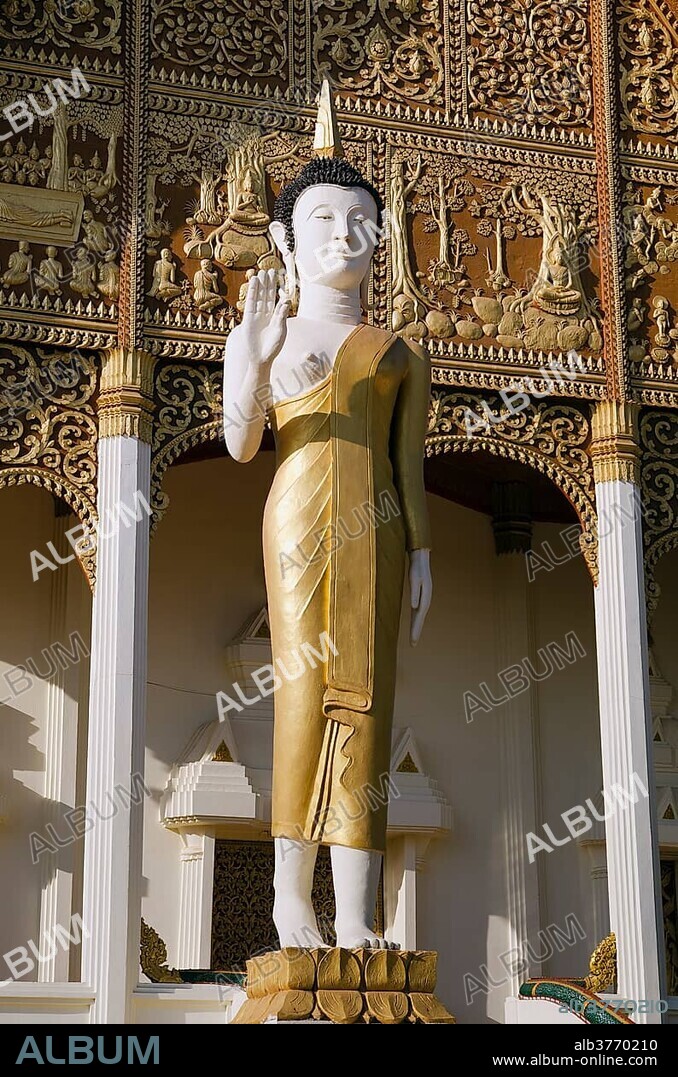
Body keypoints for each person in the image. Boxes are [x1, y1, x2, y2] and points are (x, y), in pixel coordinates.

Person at [223, 151, 432, 951]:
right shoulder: (264, 335)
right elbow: (241, 442)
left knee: (369, 704)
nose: (344, 235)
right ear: (285, 240)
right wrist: (258, 357)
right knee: (305, 692)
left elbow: (407, 467)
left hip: (379, 528)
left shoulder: (398, 353)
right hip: (300, 519)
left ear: (380, 240)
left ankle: (353, 914)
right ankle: (289, 900)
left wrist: (421, 552)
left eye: (360, 222)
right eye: (322, 220)